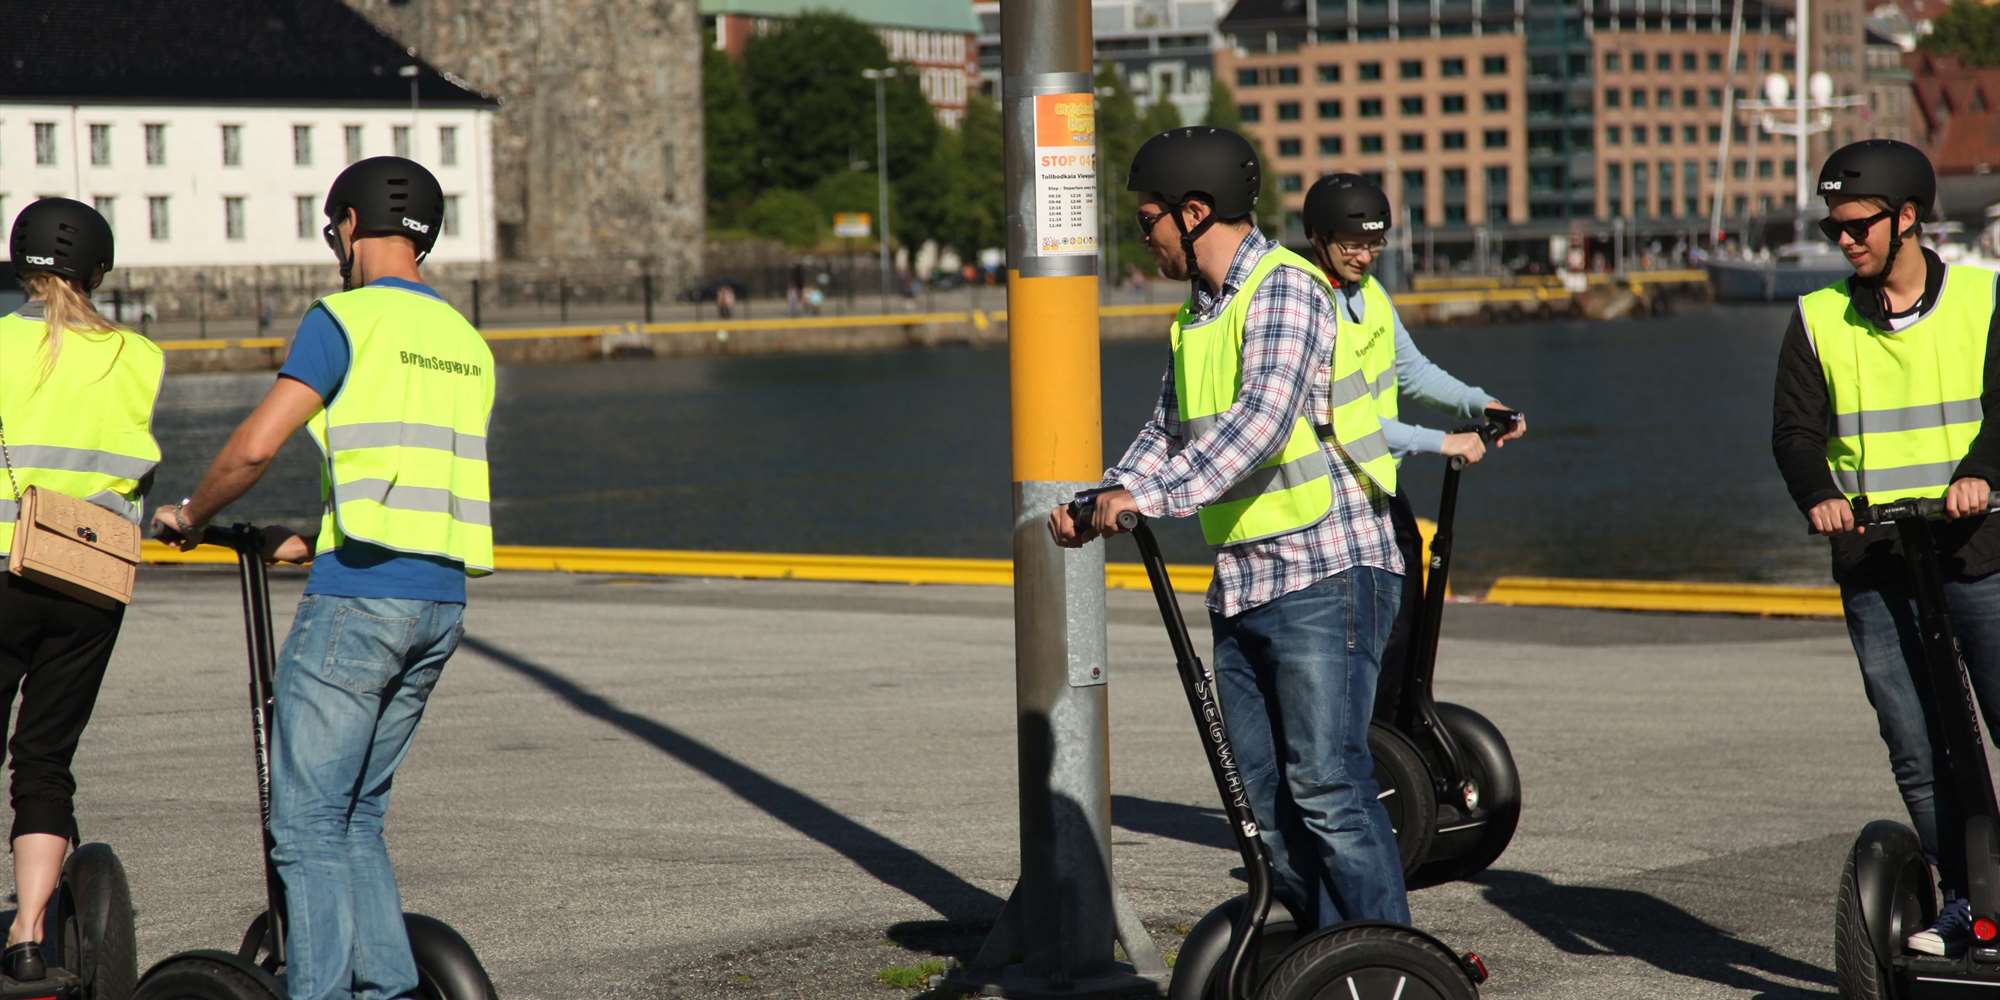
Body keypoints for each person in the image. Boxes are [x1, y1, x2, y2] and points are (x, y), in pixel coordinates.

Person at [152, 156, 495, 1000]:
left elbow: (258, 445)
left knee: (305, 824)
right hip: (439, 601)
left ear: (347, 224)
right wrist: (316, 536)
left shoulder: (344, 319)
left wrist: (191, 515)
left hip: (360, 604)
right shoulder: (466, 340)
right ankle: (387, 993)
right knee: (358, 819)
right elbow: (410, 476)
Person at [1048, 126, 1408, 928]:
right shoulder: (1196, 318)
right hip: (1247, 580)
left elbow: (1261, 425)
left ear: (1194, 211)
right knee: (1263, 802)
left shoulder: (1285, 288)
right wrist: (1099, 496)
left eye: (1147, 222)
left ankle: (1385, 963)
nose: (1143, 241)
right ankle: (1322, 962)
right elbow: (1168, 431)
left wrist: (1153, 501)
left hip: (1328, 570)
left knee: (1328, 788)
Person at [1772, 138, 2000, 958]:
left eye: (1858, 225)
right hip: (1875, 559)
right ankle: (1972, 905)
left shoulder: (1984, 298)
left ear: (1908, 219)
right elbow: (1796, 433)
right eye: (1833, 226)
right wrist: (1819, 497)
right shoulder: (1816, 318)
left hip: (1978, 551)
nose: (1844, 241)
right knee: (1914, 742)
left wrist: (1980, 472)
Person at [0, 199, 163, 980]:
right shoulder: (142, 356)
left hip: (3, 568)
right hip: (91, 584)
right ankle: (29, 935)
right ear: (99, 271)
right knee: (44, 761)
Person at [1299, 174, 1527, 724]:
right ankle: (1369, 745)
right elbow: (1344, 419)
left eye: (1373, 245)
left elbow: (1414, 374)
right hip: (1334, 496)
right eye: (1352, 245)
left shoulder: (1371, 296)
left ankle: (1397, 730)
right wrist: (1439, 441)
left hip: (1380, 485)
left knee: (1410, 618)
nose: (1364, 256)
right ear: (1318, 238)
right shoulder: (1307, 307)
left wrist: (1480, 405)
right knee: (1376, 631)